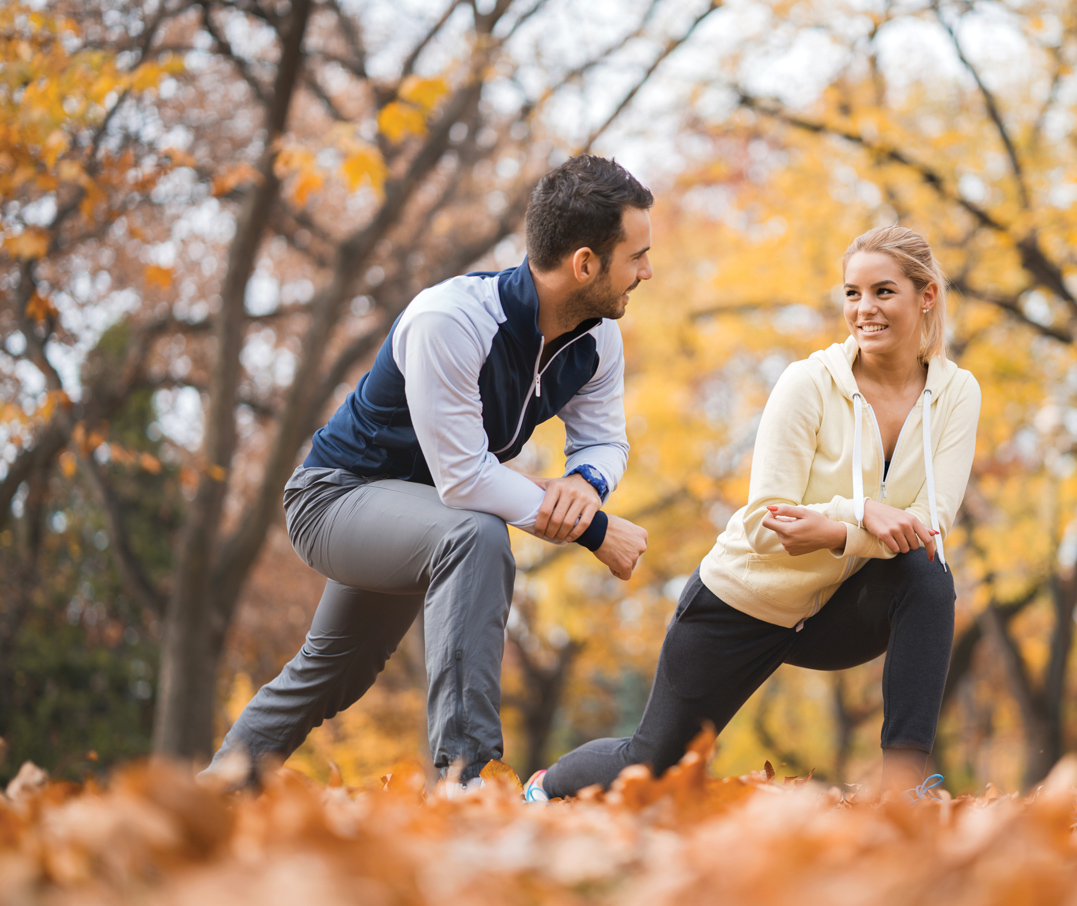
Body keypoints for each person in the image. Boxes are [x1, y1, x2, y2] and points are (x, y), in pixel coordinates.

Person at [203, 155, 652, 788]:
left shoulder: (597, 336)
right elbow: (464, 482)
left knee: (337, 670)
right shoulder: (452, 321)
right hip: (334, 500)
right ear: (585, 264)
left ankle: (215, 791)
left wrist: (585, 486)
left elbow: (605, 439)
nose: (646, 271)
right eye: (636, 256)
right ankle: (464, 781)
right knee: (476, 534)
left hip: (423, 513)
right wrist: (593, 531)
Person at [528, 224, 980, 801]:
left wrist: (837, 534)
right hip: (744, 600)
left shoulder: (956, 393)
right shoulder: (808, 385)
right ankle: (546, 785)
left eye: (883, 292)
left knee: (928, 573)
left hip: (841, 611)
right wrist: (859, 513)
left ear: (926, 296)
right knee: (652, 763)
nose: (864, 309)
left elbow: (931, 524)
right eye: (852, 293)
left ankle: (901, 789)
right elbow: (769, 524)